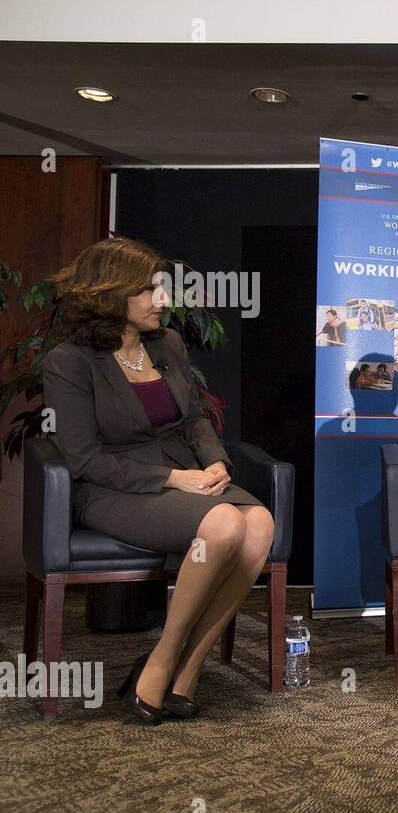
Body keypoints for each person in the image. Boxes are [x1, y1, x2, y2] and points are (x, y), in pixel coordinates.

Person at [43, 237, 274, 724]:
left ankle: (189, 668)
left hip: (189, 477)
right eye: (149, 290)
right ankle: (162, 660)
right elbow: (84, 459)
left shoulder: (166, 343)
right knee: (226, 526)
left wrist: (215, 464)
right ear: (110, 294)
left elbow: (194, 419)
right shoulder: (69, 361)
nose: (163, 300)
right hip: (116, 488)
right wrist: (173, 478)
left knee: (260, 525)